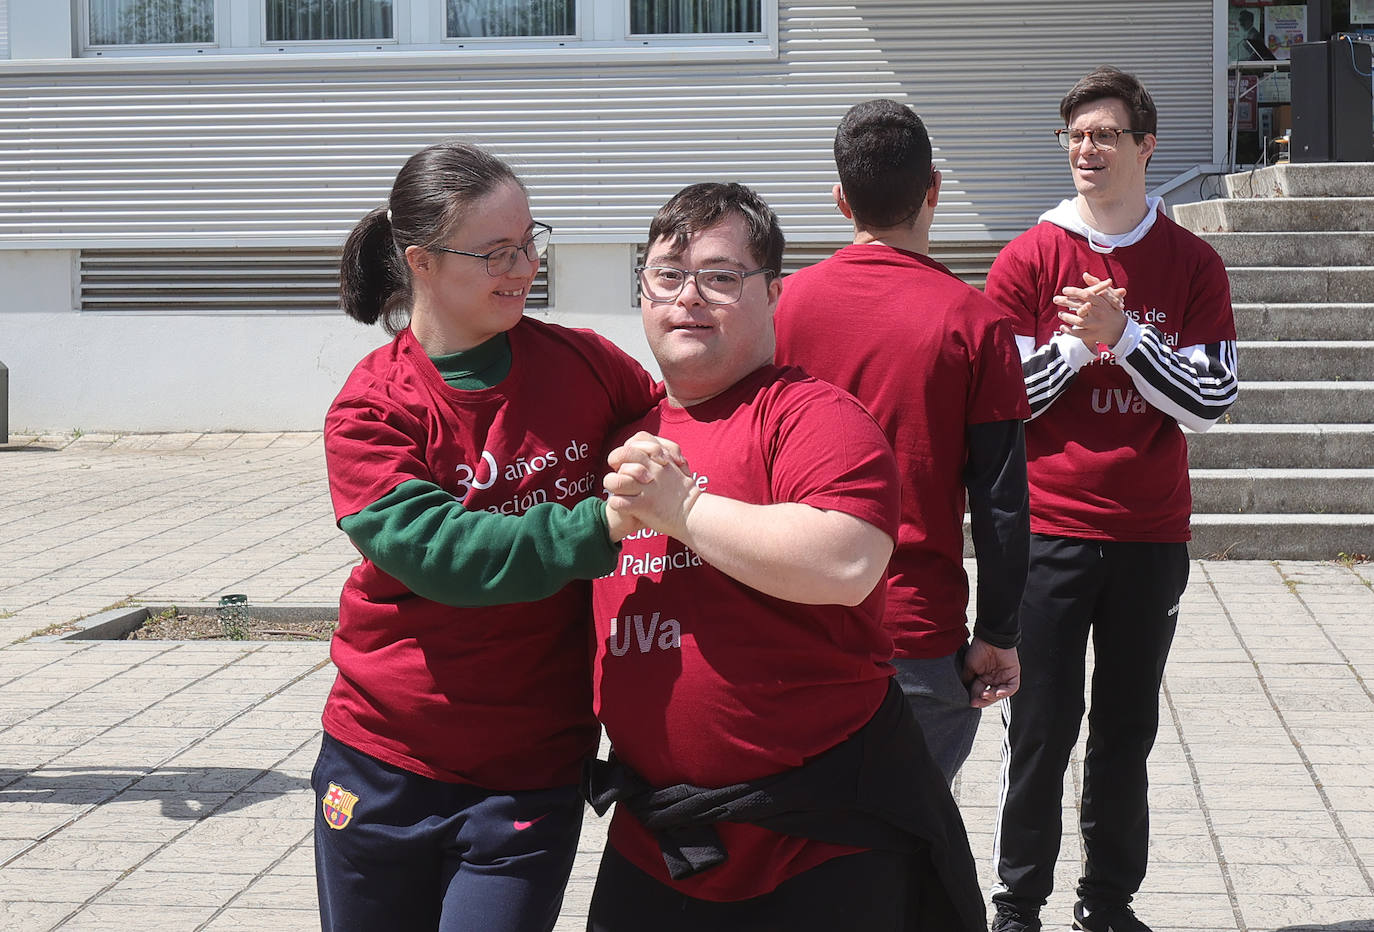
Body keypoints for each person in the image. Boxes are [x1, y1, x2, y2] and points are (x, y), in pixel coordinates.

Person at [584, 182, 987, 932]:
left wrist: (686, 510)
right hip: (657, 836)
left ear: (775, 292)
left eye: (721, 276)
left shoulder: (810, 415)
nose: (689, 297)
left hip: (817, 840)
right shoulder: (624, 431)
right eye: (668, 275)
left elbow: (847, 561)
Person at [313, 140, 660, 932]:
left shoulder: (587, 367)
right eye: (496, 252)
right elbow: (442, 554)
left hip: (528, 769)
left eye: (530, 242)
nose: (523, 267)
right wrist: (597, 525)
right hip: (384, 760)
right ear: (422, 263)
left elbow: (684, 434)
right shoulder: (372, 408)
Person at [982, 67, 1238, 932]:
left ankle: (1109, 902)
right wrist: (1083, 344)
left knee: (1126, 734)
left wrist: (1124, 335)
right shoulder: (1029, 256)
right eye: (1075, 137)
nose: (1087, 151)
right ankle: (1018, 903)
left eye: (1105, 135)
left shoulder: (1193, 262)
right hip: (1048, 527)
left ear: (1146, 146)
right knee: (1040, 732)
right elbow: (1002, 397)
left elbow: (1209, 404)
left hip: (1150, 531)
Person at [774, 98, 1031, 784]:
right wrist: (1000, 635)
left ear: (839, 199)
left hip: (792, 616)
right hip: (915, 631)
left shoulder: (781, 308)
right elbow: (1002, 501)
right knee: (906, 851)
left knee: (806, 849)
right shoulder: (977, 325)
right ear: (934, 190)